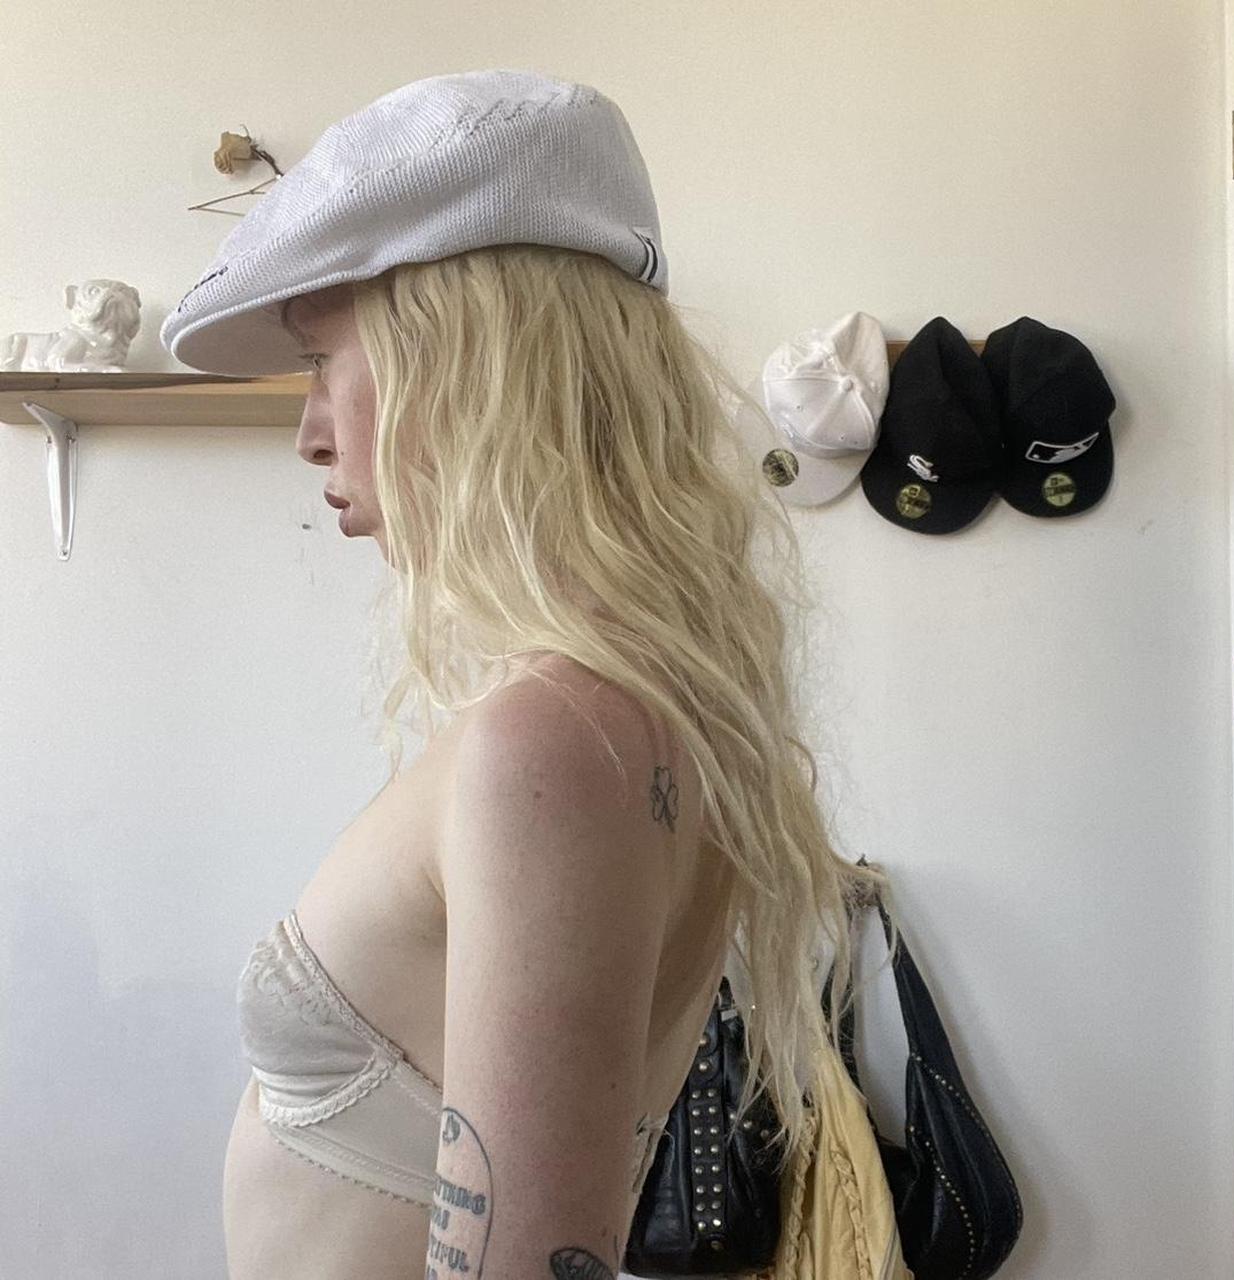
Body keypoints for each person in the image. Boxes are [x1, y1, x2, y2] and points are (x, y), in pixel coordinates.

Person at [161, 68, 886, 1280]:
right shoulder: (617, 711)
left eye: (324, 360)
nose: (309, 432)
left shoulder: (556, 735)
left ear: (468, 360)